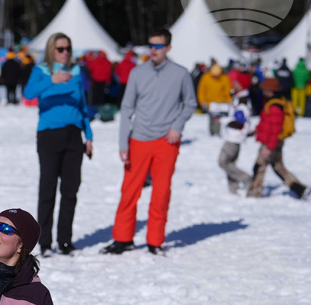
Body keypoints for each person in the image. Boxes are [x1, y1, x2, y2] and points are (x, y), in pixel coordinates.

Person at [103, 28, 197, 255]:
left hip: (167, 141)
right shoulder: (137, 72)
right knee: (129, 191)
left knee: (161, 193)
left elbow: (190, 104)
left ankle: (155, 241)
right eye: (150, 45)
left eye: (158, 46)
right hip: (139, 140)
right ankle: (123, 239)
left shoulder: (181, 73)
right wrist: (123, 143)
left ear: (168, 47)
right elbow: (126, 108)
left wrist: (177, 127)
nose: (153, 50)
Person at [22, 32, 93, 256]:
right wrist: (51, 80)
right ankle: (44, 242)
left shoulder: (76, 71)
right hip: (49, 135)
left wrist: (89, 135)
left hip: (74, 135)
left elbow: (82, 106)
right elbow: (28, 93)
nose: (65, 52)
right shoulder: (41, 71)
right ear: (51, 50)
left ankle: (65, 241)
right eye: (60, 49)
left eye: (68, 48)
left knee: (71, 189)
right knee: (48, 189)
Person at [248, 78, 310, 199]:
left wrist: (269, 148)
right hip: (275, 141)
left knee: (259, 167)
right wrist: (256, 130)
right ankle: (299, 188)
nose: (263, 91)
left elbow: (276, 129)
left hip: (271, 142)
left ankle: (254, 193)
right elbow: (266, 122)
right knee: (278, 167)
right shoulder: (275, 102)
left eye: (264, 89)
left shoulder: (274, 107)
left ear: (270, 91)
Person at [218, 88, 255, 194]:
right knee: (231, 164)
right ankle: (233, 189)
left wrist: (222, 120)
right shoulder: (239, 103)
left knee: (223, 162)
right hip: (234, 138)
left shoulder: (242, 105)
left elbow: (239, 123)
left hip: (233, 138)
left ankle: (246, 178)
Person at [197, 63, 231, 136]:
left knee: (219, 120)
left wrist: (229, 101)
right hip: (210, 103)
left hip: (221, 103)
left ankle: (218, 134)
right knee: (212, 119)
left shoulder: (224, 78)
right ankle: (212, 133)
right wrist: (202, 101)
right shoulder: (206, 77)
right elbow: (201, 90)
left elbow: (227, 91)